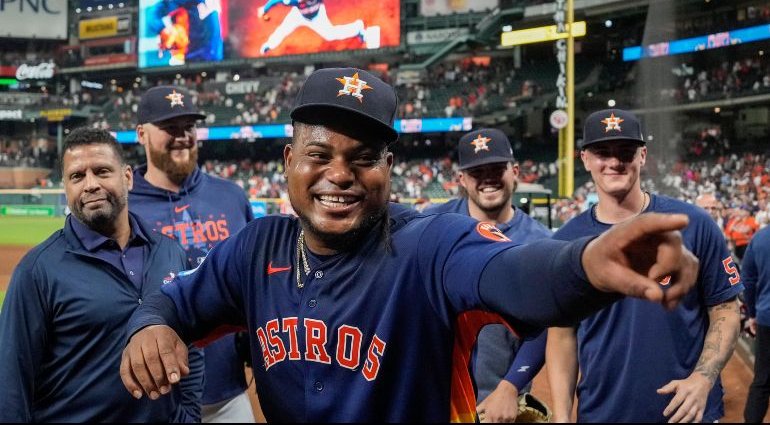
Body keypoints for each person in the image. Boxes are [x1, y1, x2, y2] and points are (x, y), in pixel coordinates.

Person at [119, 68, 699, 422]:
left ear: (389, 168)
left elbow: (519, 274)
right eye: (320, 155)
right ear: (290, 163)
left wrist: (585, 264)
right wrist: (150, 322)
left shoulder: (431, 242)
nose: (340, 174)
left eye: (364, 158)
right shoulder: (256, 246)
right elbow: (175, 300)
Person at [547, 108, 743, 423]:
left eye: (626, 151)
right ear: (585, 159)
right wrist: (560, 416)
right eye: (602, 152)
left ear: (643, 156)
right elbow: (561, 336)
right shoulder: (565, 242)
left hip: (687, 414)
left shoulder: (694, 223)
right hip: (603, 412)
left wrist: (703, 378)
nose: (614, 162)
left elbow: (725, 310)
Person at [0, 127, 203, 422]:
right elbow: (11, 382)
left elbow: (191, 343)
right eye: (77, 176)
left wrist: (189, 415)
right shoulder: (37, 270)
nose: (90, 184)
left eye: (102, 171)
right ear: (66, 187)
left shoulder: (169, 252)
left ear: (128, 177)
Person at [129, 86, 256, 422]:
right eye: (170, 128)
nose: (183, 137)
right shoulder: (124, 207)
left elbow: (252, 278)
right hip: (153, 398)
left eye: (189, 127)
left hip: (228, 392)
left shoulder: (230, 196)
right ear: (141, 133)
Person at [423, 127, 551, 422]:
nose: (488, 178)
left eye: (497, 168)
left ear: (515, 171)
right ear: (462, 180)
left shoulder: (540, 242)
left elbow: (544, 327)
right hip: (433, 394)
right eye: (477, 171)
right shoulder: (431, 224)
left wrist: (511, 386)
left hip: (496, 402)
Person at [258, 0, 371, 55]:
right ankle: (269, 45)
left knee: (330, 34)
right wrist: (265, 9)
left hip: (317, 15)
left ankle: (357, 28)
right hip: (298, 15)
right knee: (283, 29)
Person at [742, 224, 770, 422]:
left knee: (762, 380)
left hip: (766, 316)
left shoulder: (759, 238)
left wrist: (752, 314)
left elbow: (748, 281)